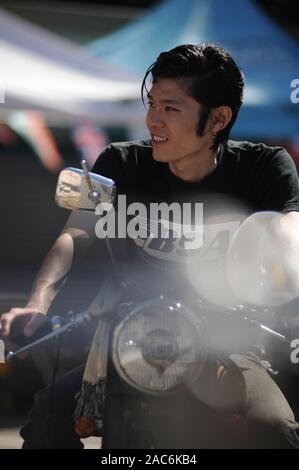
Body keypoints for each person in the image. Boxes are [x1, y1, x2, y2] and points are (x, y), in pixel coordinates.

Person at [1, 43, 299, 448]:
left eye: (171, 109)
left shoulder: (265, 168)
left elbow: (289, 232)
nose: (153, 120)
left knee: (276, 427)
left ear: (218, 119)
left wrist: (284, 245)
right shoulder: (120, 164)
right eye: (152, 104)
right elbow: (77, 233)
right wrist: (36, 304)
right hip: (129, 340)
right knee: (47, 417)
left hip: (226, 344)